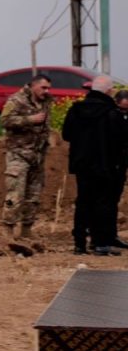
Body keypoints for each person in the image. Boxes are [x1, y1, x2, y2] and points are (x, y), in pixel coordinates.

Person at [62, 75, 128, 255]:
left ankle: (79, 243)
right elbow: (121, 140)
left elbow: (66, 135)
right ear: (108, 91)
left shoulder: (76, 110)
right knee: (103, 203)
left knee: (83, 202)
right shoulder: (111, 113)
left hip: (82, 165)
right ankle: (100, 243)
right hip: (105, 165)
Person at [0, 74, 52, 238]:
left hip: (37, 156)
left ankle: (26, 231)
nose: (47, 91)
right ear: (33, 86)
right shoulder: (16, 100)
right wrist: (30, 119)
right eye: (43, 88)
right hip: (18, 154)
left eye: (48, 88)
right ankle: (8, 230)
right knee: (15, 194)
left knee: (33, 196)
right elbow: (5, 120)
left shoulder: (46, 102)